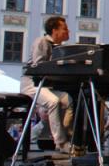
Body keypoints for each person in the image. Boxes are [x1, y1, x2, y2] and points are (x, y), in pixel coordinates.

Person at [20, 16, 74, 154]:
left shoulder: (58, 47)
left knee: (68, 99)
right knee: (53, 101)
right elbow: (39, 68)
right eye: (65, 29)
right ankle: (61, 142)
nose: (68, 31)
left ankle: (68, 136)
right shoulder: (42, 42)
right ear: (54, 30)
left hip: (44, 85)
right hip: (32, 84)